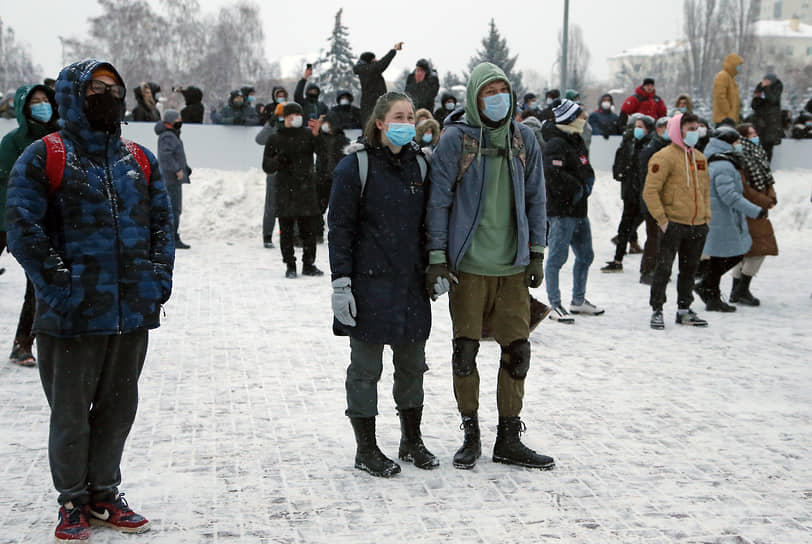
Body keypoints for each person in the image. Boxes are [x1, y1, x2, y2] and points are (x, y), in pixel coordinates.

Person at [6, 59, 173, 541]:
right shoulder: (46, 155)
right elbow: (24, 229)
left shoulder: (138, 159)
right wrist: (61, 287)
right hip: (70, 316)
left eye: (115, 88)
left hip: (130, 311)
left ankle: (105, 492)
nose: (108, 96)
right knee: (72, 413)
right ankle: (72, 500)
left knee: (119, 410)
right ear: (73, 94)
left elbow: (162, 226)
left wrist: (156, 280)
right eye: (96, 88)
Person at [426, 62, 554, 471]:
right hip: (468, 269)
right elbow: (438, 202)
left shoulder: (524, 138)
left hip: (512, 268)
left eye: (503, 89)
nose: (498, 97)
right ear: (474, 98)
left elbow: (536, 198)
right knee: (465, 353)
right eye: (488, 91)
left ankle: (508, 436)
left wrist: (536, 252)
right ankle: (471, 432)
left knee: (518, 352)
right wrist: (437, 258)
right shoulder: (455, 141)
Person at [328, 91, 436, 478]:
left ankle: (411, 440)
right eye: (398, 116)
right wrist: (341, 283)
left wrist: (435, 268)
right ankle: (366, 448)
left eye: (410, 116)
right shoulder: (354, 167)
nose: (406, 122)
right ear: (379, 123)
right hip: (368, 286)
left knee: (412, 367)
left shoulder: (421, 166)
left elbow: (430, 226)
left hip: (409, 286)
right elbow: (339, 228)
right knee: (365, 369)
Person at [0, 83, 59, 366]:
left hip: (43, 222)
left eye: (45, 100)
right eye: (35, 101)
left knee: (37, 284)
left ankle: (23, 343)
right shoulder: (13, 141)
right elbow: (6, 184)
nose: (42, 105)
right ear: (24, 107)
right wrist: (11, 224)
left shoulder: (58, 138)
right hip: (7, 218)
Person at [642, 112, 711, 329]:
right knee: (663, 268)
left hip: (697, 224)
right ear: (677, 131)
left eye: (696, 128)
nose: (695, 132)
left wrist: (706, 216)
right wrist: (662, 220)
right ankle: (657, 309)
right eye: (690, 129)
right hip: (673, 223)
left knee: (690, 269)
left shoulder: (700, 157)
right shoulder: (664, 157)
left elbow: (705, 191)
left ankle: (684, 309)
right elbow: (650, 191)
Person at [542, 99, 604, 323]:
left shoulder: (576, 140)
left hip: (579, 211)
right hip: (562, 212)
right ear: (570, 118)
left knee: (586, 255)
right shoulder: (555, 143)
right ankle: (554, 304)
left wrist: (588, 180)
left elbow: (585, 166)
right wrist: (577, 187)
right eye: (580, 114)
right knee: (557, 259)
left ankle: (578, 300)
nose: (585, 117)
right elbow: (553, 175)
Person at [694, 126, 765, 312]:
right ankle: (707, 287)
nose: (739, 145)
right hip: (723, 219)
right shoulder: (723, 165)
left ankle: (712, 295)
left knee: (719, 258)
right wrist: (755, 210)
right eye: (737, 142)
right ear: (727, 143)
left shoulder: (714, 159)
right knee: (734, 254)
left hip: (717, 217)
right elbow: (730, 196)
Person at [262, 102, 324, 278]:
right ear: (285, 117)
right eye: (292, 115)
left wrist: (317, 135)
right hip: (285, 190)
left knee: (309, 231)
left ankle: (309, 264)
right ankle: (290, 265)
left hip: (306, 190)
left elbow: (322, 152)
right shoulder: (275, 138)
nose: (296, 117)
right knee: (286, 231)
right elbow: (267, 166)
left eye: (298, 114)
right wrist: (279, 160)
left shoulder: (308, 135)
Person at [730, 123, 778, 305]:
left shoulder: (758, 154)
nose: (756, 136)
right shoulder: (740, 158)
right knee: (759, 249)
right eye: (752, 134)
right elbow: (745, 188)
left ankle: (737, 289)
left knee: (748, 250)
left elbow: (767, 178)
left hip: (759, 208)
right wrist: (765, 200)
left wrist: (771, 195)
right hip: (749, 209)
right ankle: (741, 289)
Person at [602, 114, 654, 272]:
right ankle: (618, 260)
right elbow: (618, 167)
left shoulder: (650, 147)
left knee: (650, 231)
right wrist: (623, 174)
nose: (637, 130)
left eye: (641, 127)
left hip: (645, 194)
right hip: (631, 193)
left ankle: (651, 266)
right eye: (635, 126)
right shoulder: (628, 144)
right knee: (626, 225)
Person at [637, 116, 671, 285]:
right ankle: (647, 270)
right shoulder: (651, 149)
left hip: (665, 201)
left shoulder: (667, 147)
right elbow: (646, 180)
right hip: (652, 200)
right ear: (658, 130)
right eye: (666, 128)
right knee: (653, 237)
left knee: (662, 237)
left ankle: (658, 268)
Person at [155, 109, 191, 249]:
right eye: (178, 119)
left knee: (174, 208)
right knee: (173, 209)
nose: (180, 121)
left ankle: (170, 236)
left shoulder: (171, 135)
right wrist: (177, 169)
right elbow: (166, 157)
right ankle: (171, 237)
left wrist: (185, 168)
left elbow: (176, 155)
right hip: (171, 179)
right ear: (171, 121)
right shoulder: (168, 136)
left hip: (173, 178)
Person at [315, 111, 350, 241]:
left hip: (337, 179)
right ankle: (318, 233)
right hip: (321, 178)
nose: (325, 126)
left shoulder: (343, 140)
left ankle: (338, 234)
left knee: (338, 210)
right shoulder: (319, 139)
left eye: (327, 123)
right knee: (318, 208)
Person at [354, 43, 403, 125]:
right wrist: (394, 50)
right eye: (374, 59)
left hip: (371, 104)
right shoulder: (368, 70)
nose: (376, 61)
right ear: (370, 60)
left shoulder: (364, 69)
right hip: (372, 105)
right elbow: (382, 63)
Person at [750, 73, 783, 162]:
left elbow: (773, 99)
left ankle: (767, 166)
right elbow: (754, 105)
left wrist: (766, 88)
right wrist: (757, 97)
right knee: (758, 147)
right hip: (759, 123)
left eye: (767, 81)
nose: (765, 82)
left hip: (771, 124)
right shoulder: (760, 88)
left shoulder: (776, 88)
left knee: (768, 147)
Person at [712, 54, 744, 124]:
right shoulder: (723, 76)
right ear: (733, 65)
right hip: (724, 119)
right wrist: (729, 113)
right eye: (738, 65)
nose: (739, 68)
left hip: (730, 119)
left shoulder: (731, 78)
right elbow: (720, 96)